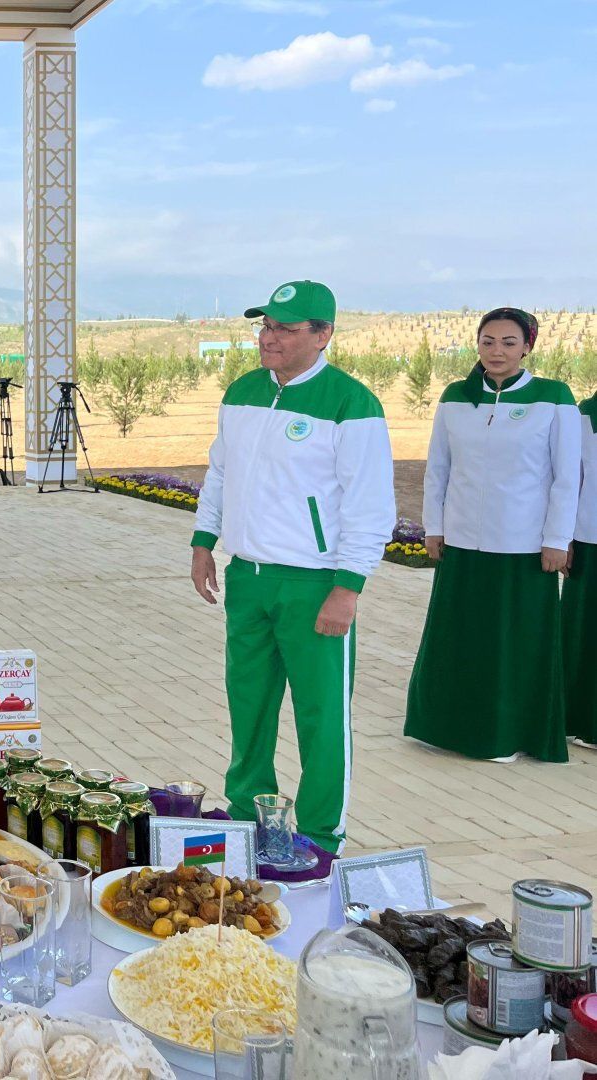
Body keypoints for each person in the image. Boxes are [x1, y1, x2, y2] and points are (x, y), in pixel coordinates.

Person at [191, 280, 394, 858]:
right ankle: (247, 813)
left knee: (321, 716)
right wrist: (205, 540)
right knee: (248, 703)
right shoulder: (243, 391)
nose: (268, 338)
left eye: (284, 328)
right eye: (264, 326)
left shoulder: (350, 402)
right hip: (249, 578)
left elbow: (371, 505)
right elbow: (222, 473)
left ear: (323, 334)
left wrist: (348, 587)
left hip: (315, 585)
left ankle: (322, 835)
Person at [406, 308, 581, 763]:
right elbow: (438, 468)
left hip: (523, 547)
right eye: (488, 341)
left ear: (528, 346)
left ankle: (507, 735)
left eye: (508, 342)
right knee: (459, 640)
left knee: (513, 647)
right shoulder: (455, 397)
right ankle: (446, 729)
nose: (496, 350)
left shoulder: (553, 397)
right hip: (462, 543)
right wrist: (435, 526)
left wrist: (557, 539)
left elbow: (566, 477)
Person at [564, 382, 597, 752]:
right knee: (584, 636)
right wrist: (565, 536)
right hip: (591, 540)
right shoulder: (584, 414)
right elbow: (571, 477)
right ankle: (580, 719)